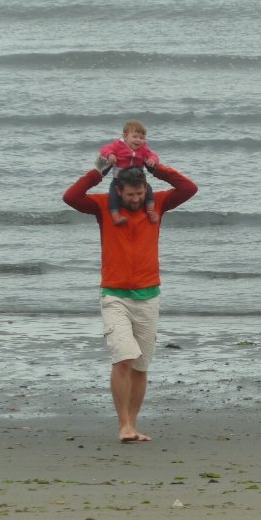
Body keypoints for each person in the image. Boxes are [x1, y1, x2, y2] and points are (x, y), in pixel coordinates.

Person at [62, 158, 198, 442]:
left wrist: (157, 168)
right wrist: (98, 170)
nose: (136, 199)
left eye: (139, 193)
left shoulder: (157, 204)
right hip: (115, 294)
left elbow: (189, 188)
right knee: (124, 357)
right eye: (130, 194)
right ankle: (123, 424)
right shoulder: (103, 207)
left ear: (145, 189)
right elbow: (71, 197)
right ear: (119, 192)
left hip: (149, 296)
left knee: (141, 365)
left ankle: (132, 425)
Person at [99, 119, 161, 225]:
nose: (138, 140)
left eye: (142, 138)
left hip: (137, 178)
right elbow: (104, 149)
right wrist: (110, 155)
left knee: (148, 190)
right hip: (118, 179)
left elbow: (153, 155)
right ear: (125, 136)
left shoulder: (143, 148)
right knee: (113, 194)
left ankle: (150, 210)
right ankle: (115, 216)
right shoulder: (118, 145)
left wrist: (152, 160)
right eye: (135, 136)